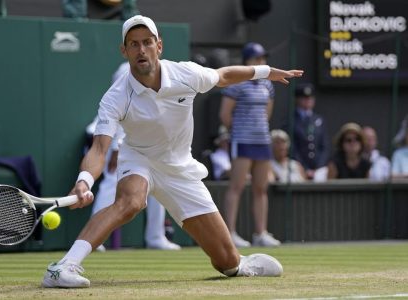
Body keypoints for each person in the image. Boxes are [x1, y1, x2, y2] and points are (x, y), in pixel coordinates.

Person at [42, 15, 303, 288]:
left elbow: (223, 76)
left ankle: (241, 262)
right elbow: (99, 148)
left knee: (228, 264)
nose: (141, 50)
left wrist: (265, 71)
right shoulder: (115, 97)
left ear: (159, 46)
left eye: (147, 42)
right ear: (124, 51)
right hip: (139, 158)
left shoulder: (185, 74)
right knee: (130, 202)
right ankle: (64, 267)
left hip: (179, 168)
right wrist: (84, 180)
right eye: (133, 44)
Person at [219, 42, 281, 248]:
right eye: (257, 59)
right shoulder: (236, 84)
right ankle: (230, 233)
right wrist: (239, 131)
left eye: (263, 58)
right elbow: (225, 114)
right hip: (242, 141)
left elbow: (267, 113)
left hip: (262, 141)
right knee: (236, 187)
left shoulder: (268, 85)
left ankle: (260, 233)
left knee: (261, 189)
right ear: (247, 61)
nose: (261, 62)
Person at [87, 119, 181, 251]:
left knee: (156, 181)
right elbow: (121, 118)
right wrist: (115, 148)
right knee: (112, 181)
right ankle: (92, 237)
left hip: (138, 141)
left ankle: (155, 237)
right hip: (108, 137)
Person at [284, 83, 329, 180]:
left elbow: (324, 147)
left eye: (310, 97)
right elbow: (292, 149)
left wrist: (318, 168)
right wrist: (304, 168)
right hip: (298, 168)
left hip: (319, 169)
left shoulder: (319, 119)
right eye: (304, 98)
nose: (308, 100)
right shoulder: (290, 120)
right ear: (297, 99)